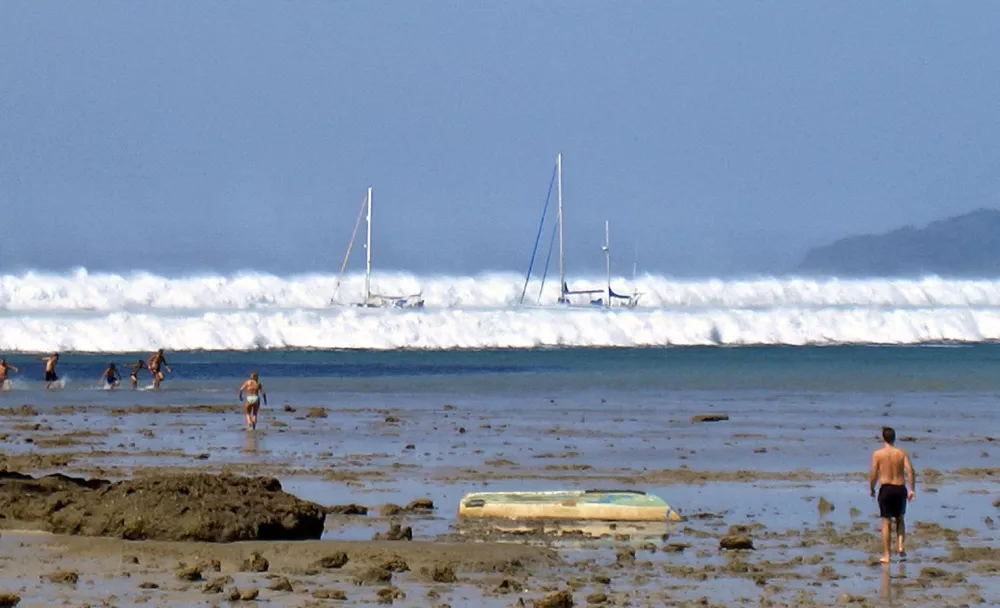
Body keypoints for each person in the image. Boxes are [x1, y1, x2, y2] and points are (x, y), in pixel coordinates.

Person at [869, 426, 916, 563]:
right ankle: (900, 546)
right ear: (895, 438)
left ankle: (887, 555)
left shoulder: (878, 454)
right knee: (900, 518)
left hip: (886, 488)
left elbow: (874, 473)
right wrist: (912, 489)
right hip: (900, 488)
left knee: (886, 521)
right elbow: (910, 471)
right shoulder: (901, 453)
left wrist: (871, 488)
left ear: (883, 438)